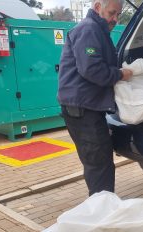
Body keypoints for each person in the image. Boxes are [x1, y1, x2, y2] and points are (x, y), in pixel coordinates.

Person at [58, 0, 133, 196]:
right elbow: (91, 69)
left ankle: (102, 209)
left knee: (99, 163)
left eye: (118, 14)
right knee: (99, 165)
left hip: (87, 108)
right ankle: (102, 215)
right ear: (98, 6)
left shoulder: (97, 30)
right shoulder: (88, 29)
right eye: (112, 13)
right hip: (83, 111)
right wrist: (120, 74)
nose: (115, 19)